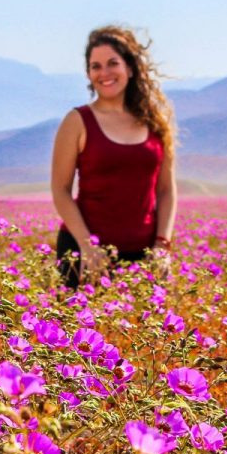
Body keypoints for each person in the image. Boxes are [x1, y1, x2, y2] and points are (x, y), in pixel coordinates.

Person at [50, 25, 177, 288]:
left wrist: (162, 246)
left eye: (112, 63)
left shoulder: (155, 123)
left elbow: (166, 190)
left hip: (144, 257)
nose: (104, 73)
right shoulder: (77, 121)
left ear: (130, 68)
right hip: (85, 256)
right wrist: (88, 246)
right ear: (88, 74)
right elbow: (60, 190)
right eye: (95, 66)